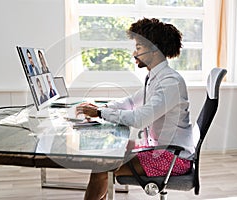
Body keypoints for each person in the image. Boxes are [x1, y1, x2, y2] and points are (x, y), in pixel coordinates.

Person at [76, 18, 195, 200]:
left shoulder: (170, 82)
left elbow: (140, 119)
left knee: (101, 169)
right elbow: (131, 102)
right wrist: (101, 107)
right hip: (160, 149)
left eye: (138, 48)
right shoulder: (156, 77)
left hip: (173, 158)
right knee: (105, 158)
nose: (134, 53)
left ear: (154, 50)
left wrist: (101, 113)